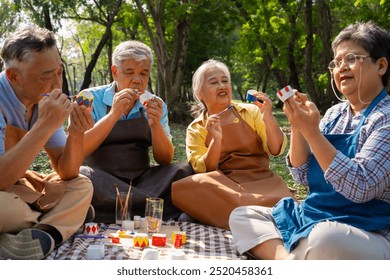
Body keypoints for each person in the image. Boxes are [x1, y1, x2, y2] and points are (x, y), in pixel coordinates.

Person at [229, 21, 390, 260]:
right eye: (336, 62)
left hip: (367, 230)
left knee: (325, 239)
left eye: (352, 59)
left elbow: (361, 187)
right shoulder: (335, 114)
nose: (341, 67)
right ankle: (289, 263)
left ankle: (292, 255)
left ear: (381, 65)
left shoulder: (385, 118)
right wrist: (297, 126)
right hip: (316, 216)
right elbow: (302, 175)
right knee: (243, 216)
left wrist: (312, 133)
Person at [0, 25, 94, 260]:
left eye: (59, 73)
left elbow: (67, 171)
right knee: (9, 210)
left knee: (82, 186)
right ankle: (59, 220)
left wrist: (75, 133)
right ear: (14, 76)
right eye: (46, 76)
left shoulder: (40, 99)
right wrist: (44, 125)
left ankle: (36, 234)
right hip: (4, 190)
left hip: (18, 189)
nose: (57, 84)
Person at [80, 40, 194, 223]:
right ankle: (149, 207)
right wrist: (114, 114)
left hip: (141, 179)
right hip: (102, 179)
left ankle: (117, 207)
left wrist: (155, 125)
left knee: (185, 170)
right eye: (129, 72)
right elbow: (79, 150)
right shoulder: (90, 99)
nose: (137, 80)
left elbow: (164, 159)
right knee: (82, 176)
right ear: (115, 72)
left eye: (144, 73)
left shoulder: (156, 104)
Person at [171, 59, 294, 229]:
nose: (222, 86)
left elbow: (276, 149)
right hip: (225, 186)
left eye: (225, 81)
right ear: (200, 93)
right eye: (214, 82)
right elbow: (205, 170)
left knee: (192, 210)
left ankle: (232, 214)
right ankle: (250, 212)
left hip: (261, 181)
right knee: (190, 184)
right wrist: (215, 140)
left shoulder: (250, 111)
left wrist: (268, 116)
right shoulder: (197, 127)